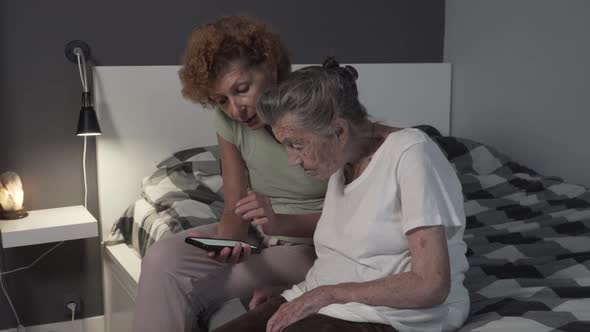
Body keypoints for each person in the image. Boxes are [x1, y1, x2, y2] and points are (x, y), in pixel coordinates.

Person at [212, 58, 470, 332]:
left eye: (296, 145)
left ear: (339, 131)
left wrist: (327, 294)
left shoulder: (411, 154)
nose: (292, 159)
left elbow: (431, 284)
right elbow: (350, 258)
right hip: (323, 300)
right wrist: (297, 291)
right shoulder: (340, 160)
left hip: (387, 316)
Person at [132, 16, 327, 332]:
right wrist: (227, 244)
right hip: (260, 235)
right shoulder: (230, 123)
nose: (237, 109)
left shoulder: (317, 110)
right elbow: (235, 203)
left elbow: (353, 218)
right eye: (221, 100)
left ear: (271, 66)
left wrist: (279, 222)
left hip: (312, 244)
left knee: (193, 289)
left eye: (242, 90)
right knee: (162, 257)